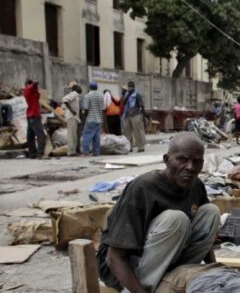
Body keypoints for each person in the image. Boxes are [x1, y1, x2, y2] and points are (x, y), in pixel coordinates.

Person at [97, 132, 220, 292]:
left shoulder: (195, 185)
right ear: (166, 160)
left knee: (211, 212)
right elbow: (114, 257)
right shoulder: (143, 188)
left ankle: (170, 276)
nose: (190, 167)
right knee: (176, 219)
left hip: (165, 260)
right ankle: (146, 287)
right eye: (182, 159)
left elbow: (205, 237)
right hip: (122, 268)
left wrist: (215, 271)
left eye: (196, 161)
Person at [23, 78, 46, 159]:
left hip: (29, 115)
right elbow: (36, 82)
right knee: (41, 135)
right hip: (34, 115)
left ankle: (32, 154)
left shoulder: (26, 90)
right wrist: (33, 81)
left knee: (30, 136)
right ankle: (40, 154)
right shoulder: (31, 89)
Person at [81, 81, 104, 156]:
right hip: (99, 119)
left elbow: (86, 109)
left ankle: (86, 152)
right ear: (96, 88)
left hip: (91, 119)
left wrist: (83, 118)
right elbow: (103, 109)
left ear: (89, 87)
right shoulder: (101, 96)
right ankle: (96, 153)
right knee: (96, 138)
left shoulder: (87, 96)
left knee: (87, 136)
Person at [122, 81, 146, 153]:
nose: (130, 88)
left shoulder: (137, 95)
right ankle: (129, 147)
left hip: (136, 115)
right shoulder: (126, 94)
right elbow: (123, 103)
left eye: (131, 87)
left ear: (134, 87)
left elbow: (141, 106)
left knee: (137, 131)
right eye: (129, 87)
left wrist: (143, 116)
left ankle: (141, 147)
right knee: (127, 132)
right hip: (127, 115)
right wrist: (127, 95)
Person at [62, 83, 82, 156]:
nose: (81, 89)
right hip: (71, 117)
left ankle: (73, 150)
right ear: (76, 89)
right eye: (79, 87)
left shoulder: (76, 95)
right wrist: (71, 110)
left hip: (73, 117)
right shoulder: (74, 93)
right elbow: (64, 99)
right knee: (71, 135)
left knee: (73, 135)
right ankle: (71, 151)